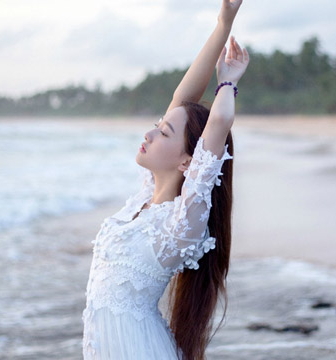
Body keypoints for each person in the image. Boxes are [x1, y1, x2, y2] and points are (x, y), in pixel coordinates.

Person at [81, 0, 250, 359]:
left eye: (163, 132)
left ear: (189, 161)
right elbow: (182, 100)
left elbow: (217, 124)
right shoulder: (143, 200)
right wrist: (224, 23)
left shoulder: (181, 224)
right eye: (157, 126)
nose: (150, 133)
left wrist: (228, 84)